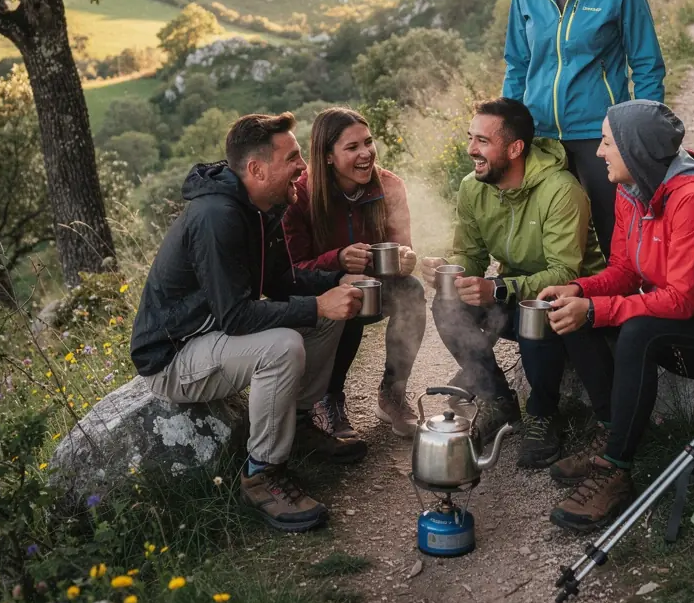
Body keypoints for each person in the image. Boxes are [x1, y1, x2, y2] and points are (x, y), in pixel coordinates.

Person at [537, 100, 694, 531]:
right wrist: (578, 290)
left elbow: (680, 300)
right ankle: (612, 431)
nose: (597, 153)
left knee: (637, 331)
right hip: (687, 324)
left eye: (607, 143)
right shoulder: (633, 190)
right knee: (574, 315)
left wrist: (595, 309)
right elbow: (625, 272)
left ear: (636, 150)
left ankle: (616, 469)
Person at [130, 112, 368, 534]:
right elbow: (237, 316)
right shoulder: (217, 217)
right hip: (174, 355)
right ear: (257, 169)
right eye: (293, 157)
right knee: (282, 345)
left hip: (212, 336)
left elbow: (281, 282)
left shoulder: (261, 207)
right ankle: (262, 474)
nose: (303, 167)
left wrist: (335, 281)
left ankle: (297, 424)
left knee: (325, 313)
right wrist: (318, 307)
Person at [420, 97, 612, 467]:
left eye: (482, 141)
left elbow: (565, 272)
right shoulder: (472, 188)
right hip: (514, 295)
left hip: (568, 304)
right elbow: (470, 254)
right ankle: (498, 400)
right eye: (470, 138)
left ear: (515, 148)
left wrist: (500, 289)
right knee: (447, 303)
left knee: (533, 313)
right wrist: (451, 268)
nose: (470, 149)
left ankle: (542, 413)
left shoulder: (560, 190)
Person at [503, 0, 667, 257]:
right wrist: (508, 131)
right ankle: (564, 312)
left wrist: (644, 136)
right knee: (554, 242)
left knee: (616, 239)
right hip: (543, 136)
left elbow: (646, 65)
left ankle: (623, 311)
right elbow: (517, 63)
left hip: (602, 136)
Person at [283, 107, 425, 439]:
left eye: (368, 142)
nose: (366, 154)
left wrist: (406, 259)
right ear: (328, 156)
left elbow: (402, 248)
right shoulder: (299, 196)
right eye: (352, 147)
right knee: (346, 297)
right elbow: (290, 270)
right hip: (320, 297)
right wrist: (338, 260)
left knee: (412, 291)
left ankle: (392, 392)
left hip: (373, 287)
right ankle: (327, 399)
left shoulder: (389, 186)